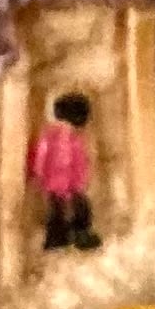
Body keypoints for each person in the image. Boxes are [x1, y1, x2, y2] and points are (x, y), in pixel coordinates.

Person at [28, 90, 100, 250]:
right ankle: (58, 239)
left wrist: (81, 180)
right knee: (57, 212)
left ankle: (79, 236)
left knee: (79, 208)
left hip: (69, 184)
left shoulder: (73, 139)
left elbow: (80, 162)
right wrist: (40, 175)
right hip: (57, 184)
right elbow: (42, 157)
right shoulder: (52, 137)